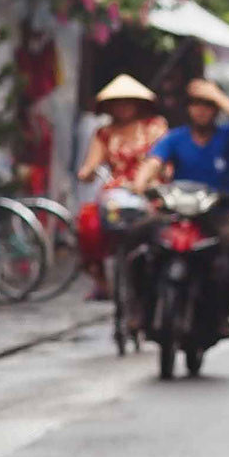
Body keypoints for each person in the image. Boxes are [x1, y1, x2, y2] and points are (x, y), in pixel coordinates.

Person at [140, 76, 229, 334]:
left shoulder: (228, 136)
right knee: (139, 235)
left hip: (217, 214)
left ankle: (223, 313)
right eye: (196, 104)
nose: (201, 110)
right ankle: (139, 309)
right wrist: (142, 185)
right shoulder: (176, 138)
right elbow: (152, 164)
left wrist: (217, 94)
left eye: (207, 104)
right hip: (177, 212)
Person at [75, 75, 170, 296]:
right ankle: (101, 280)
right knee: (88, 224)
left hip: (152, 190)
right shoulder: (104, 133)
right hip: (117, 193)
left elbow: (164, 158)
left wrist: (152, 176)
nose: (124, 107)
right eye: (118, 102)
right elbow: (90, 166)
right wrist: (86, 172)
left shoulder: (154, 127)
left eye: (128, 101)